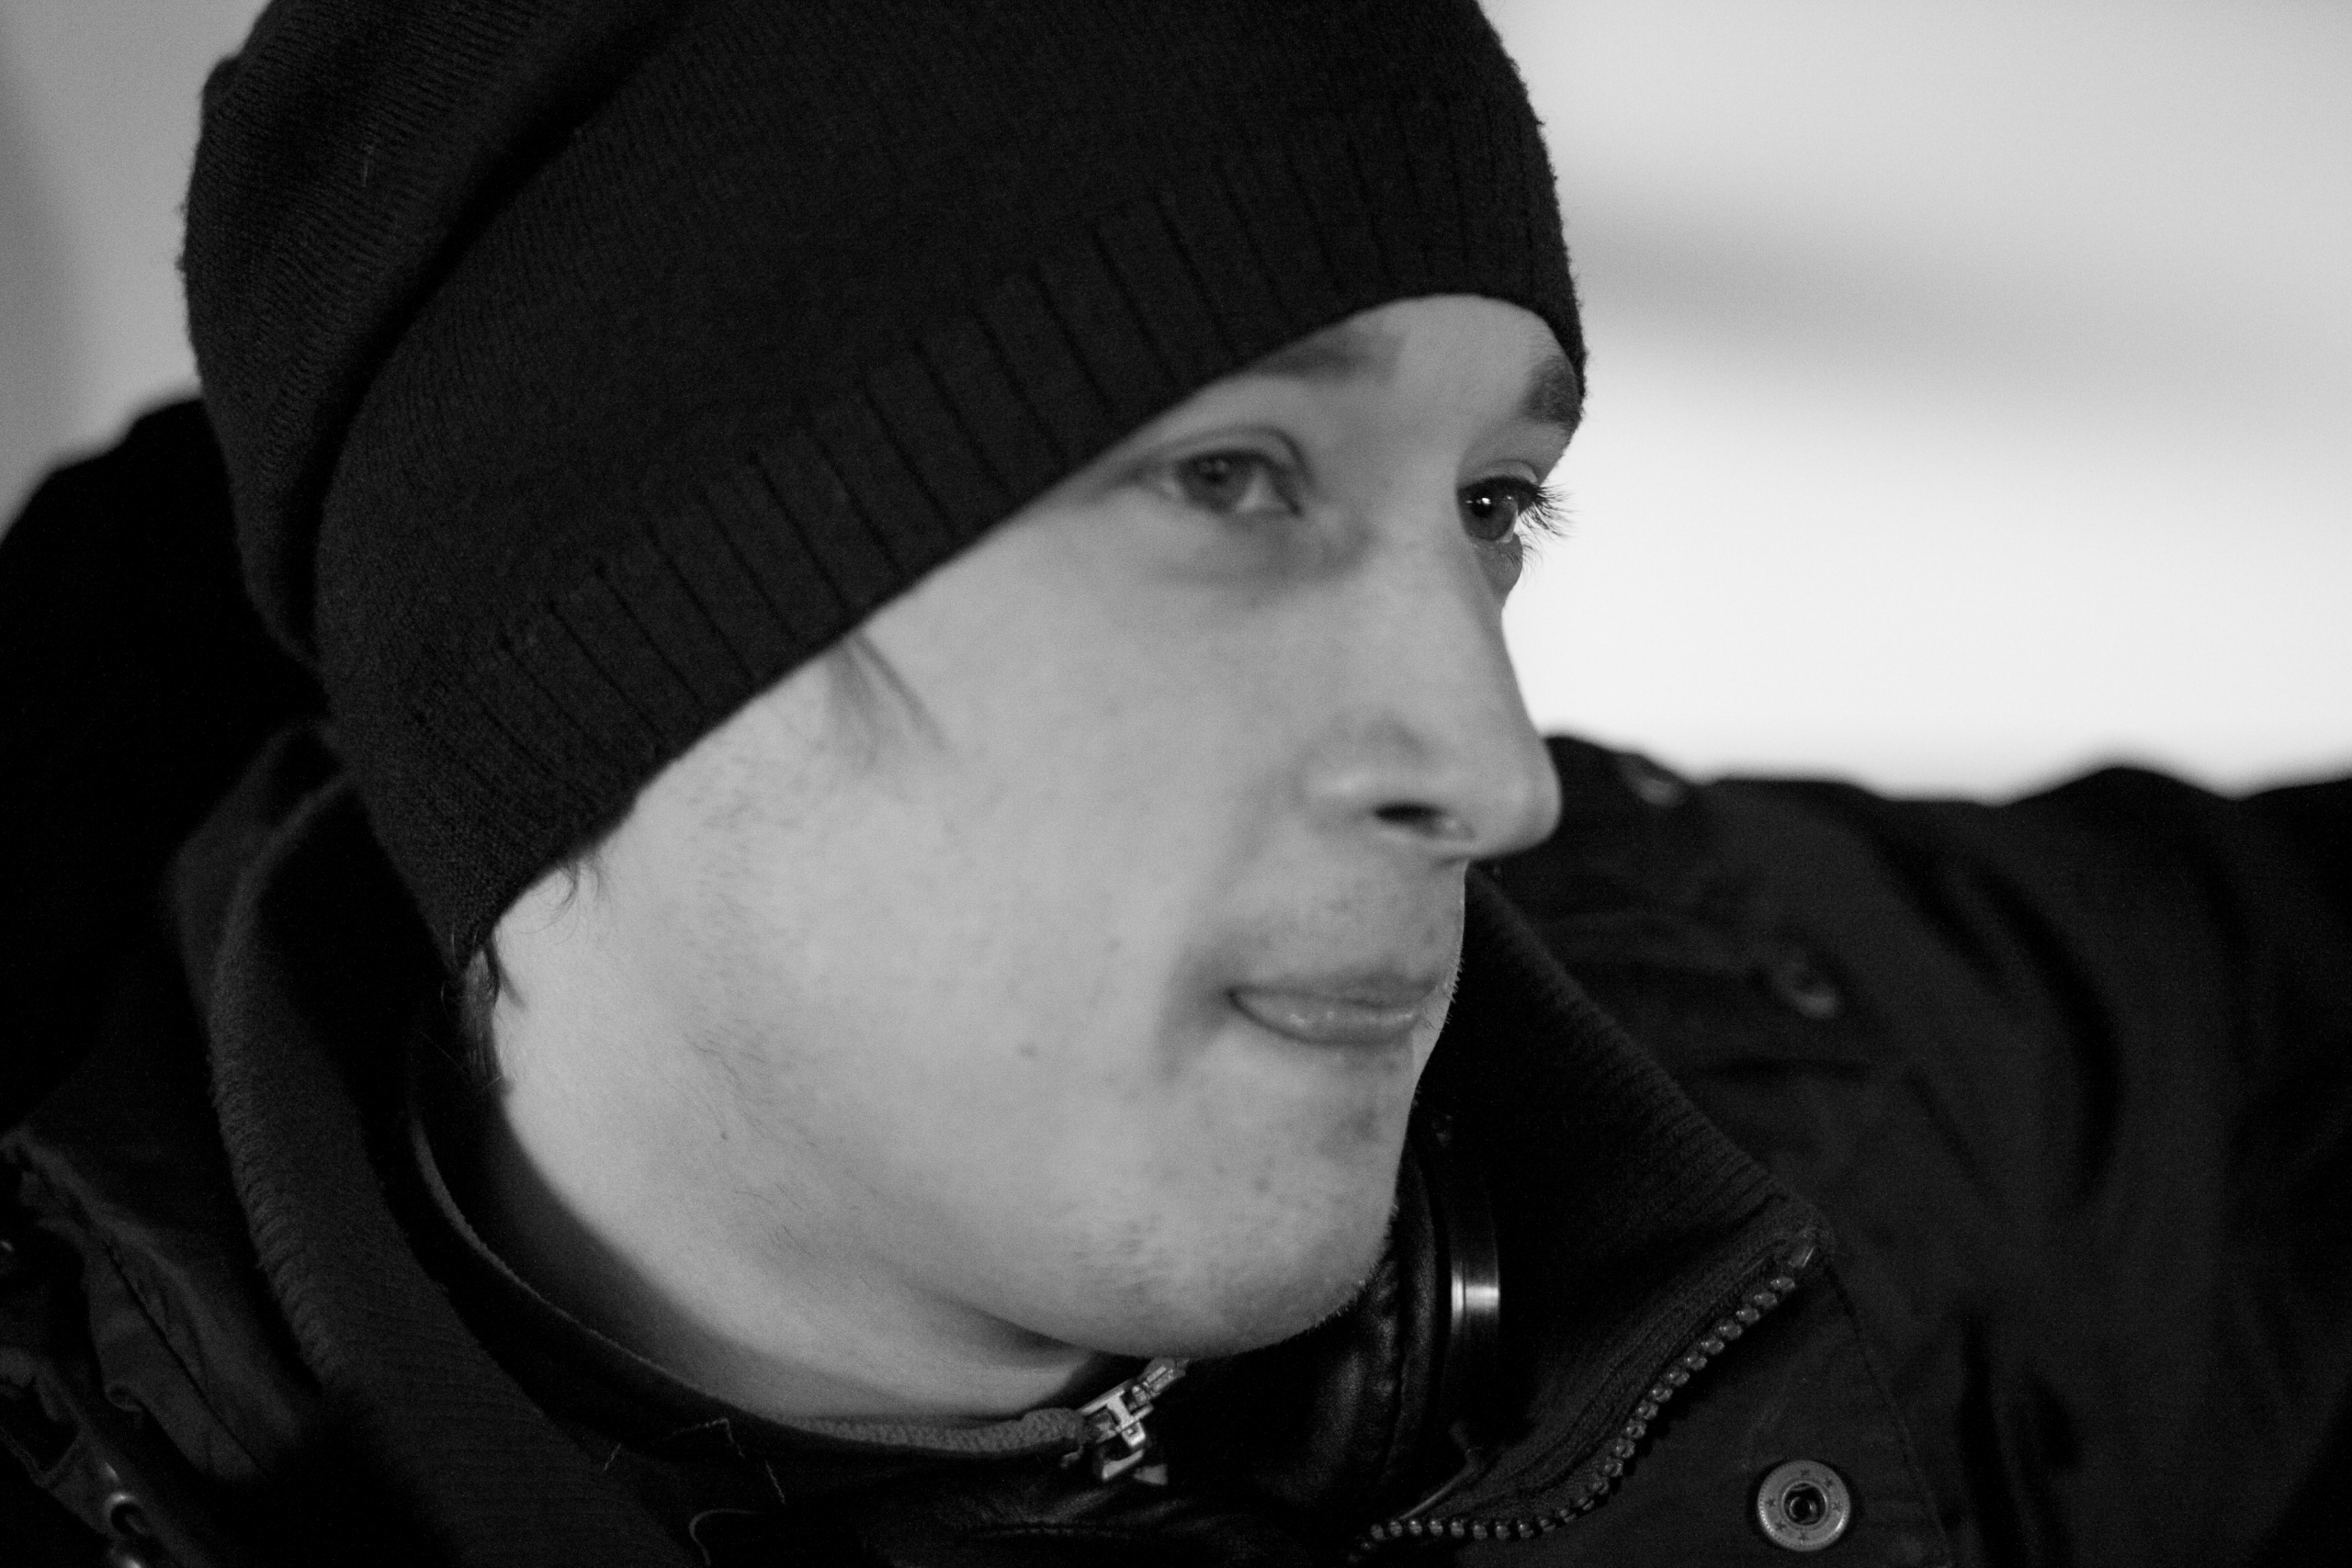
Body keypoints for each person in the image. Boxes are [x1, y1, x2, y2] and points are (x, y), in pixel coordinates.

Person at [2, 2, 2346, 1564]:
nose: (1489, 771)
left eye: (1492, 504)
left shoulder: (1758, 1064)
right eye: (1229, 479)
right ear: (607, 634)